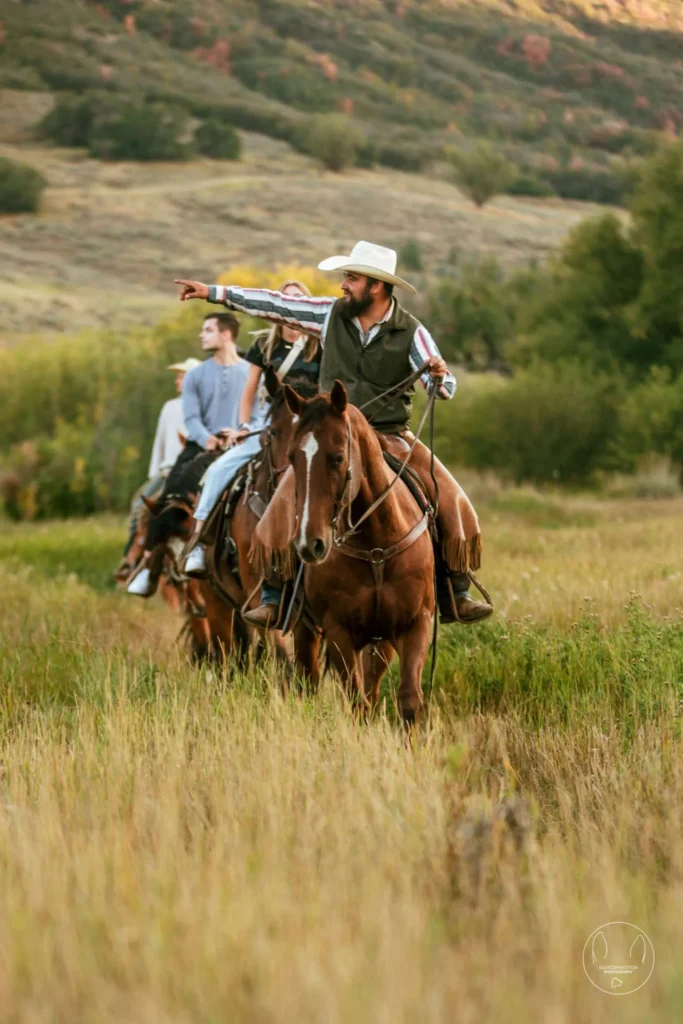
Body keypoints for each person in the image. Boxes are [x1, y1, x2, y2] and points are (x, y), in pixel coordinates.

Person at [174, 241, 493, 626]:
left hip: (390, 434)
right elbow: (274, 304)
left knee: (448, 494)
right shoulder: (328, 314)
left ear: (376, 286)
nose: (344, 285)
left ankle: (455, 588)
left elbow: (441, 383)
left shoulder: (411, 331)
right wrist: (213, 293)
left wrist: (441, 378)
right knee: (282, 501)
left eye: (352, 278)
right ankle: (275, 593)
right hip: (332, 435)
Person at [182, 279, 321, 578]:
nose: (293, 303)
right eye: (286, 298)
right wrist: (244, 427)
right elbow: (249, 392)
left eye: (298, 298)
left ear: (307, 304)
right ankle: (198, 542)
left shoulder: (319, 344)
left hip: (310, 424)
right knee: (219, 470)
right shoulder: (263, 345)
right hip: (270, 422)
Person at [127, 311, 257, 597]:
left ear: (226, 335)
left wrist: (243, 431)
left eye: (208, 330)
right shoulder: (196, 375)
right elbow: (192, 418)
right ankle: (150, 567)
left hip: (244, 444)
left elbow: (259, 409)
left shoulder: (251, 370)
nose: (202, 335)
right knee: (168, 499)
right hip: (202, 446)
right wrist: (206, 438)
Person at [114, 357, 200, 582]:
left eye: (181, 377)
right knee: (139, 507)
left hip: (191, 472)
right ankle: (132, 559)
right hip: (166, 471)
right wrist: (155, 473)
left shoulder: (202, 407)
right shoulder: (169, 407)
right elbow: (160, 442)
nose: (177, 381)